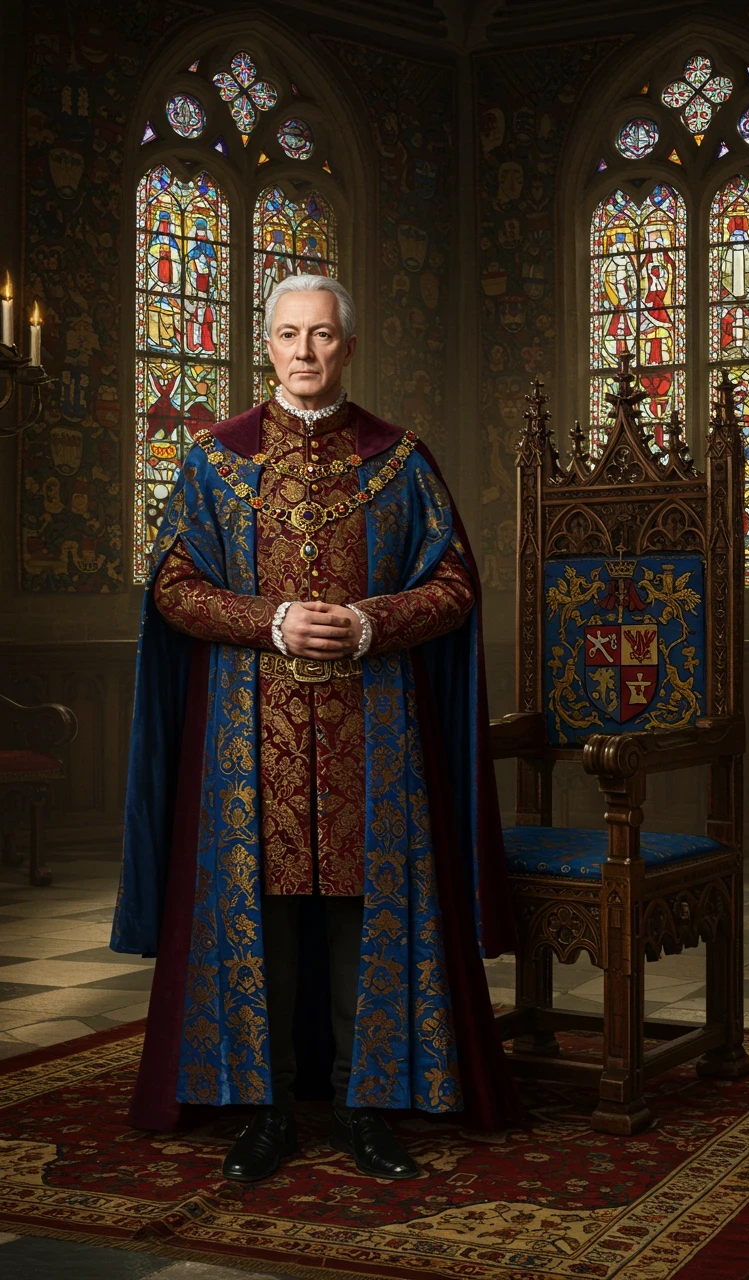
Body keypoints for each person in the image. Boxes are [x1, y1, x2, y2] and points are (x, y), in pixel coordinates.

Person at [111, 274, 523, 1185]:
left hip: (375, 738)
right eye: (290, 335)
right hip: (242, 739)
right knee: (260, 914)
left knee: (361, 916)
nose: (305, 352)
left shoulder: (400, 462)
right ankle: (263, 1110)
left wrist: (374, 623)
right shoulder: (214, 461)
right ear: (266, 344)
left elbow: (454, 588)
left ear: (348, 344)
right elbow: (173, 590)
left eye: (323, 335)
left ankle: (363, 1104)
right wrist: (270, 622)